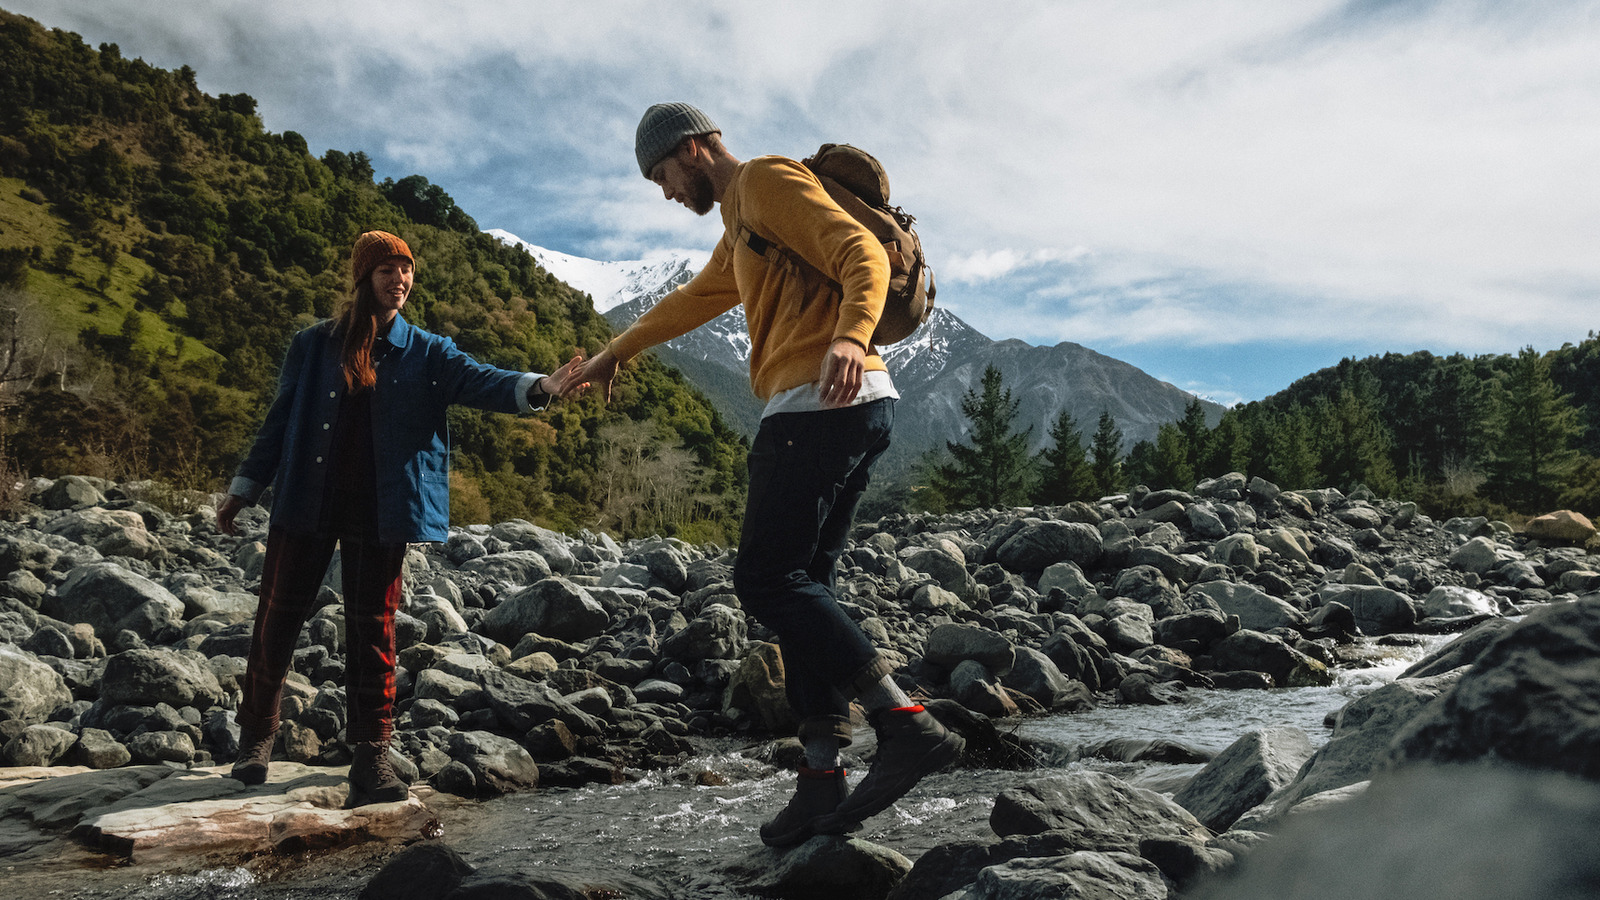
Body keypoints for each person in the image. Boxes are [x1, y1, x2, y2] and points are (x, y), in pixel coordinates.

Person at [572, 103, 963, 846]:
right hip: (846, 407)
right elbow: (691, 302)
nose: (662, 192)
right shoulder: (741, 222)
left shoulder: (764, 181)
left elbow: (862, 253)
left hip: (820, 402)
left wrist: (849, 335)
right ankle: (821, 778)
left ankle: (904, 722)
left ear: (691, 149)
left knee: (766, 579)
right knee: (805, 584)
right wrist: (611, 354)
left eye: (660, 175)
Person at [217, 230, 584, 805]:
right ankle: (256, 742)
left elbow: (480, 379)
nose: (400, 279)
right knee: (277, 621)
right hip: (304, 500)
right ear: (364, 278)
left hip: (380, 510)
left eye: (406, 270)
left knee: (374, 632)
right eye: (387, 269)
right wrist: (242, 490)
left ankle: (372, 757)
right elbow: (279, 421)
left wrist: (539, 387)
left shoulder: (429, 350)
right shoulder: (313, 345)